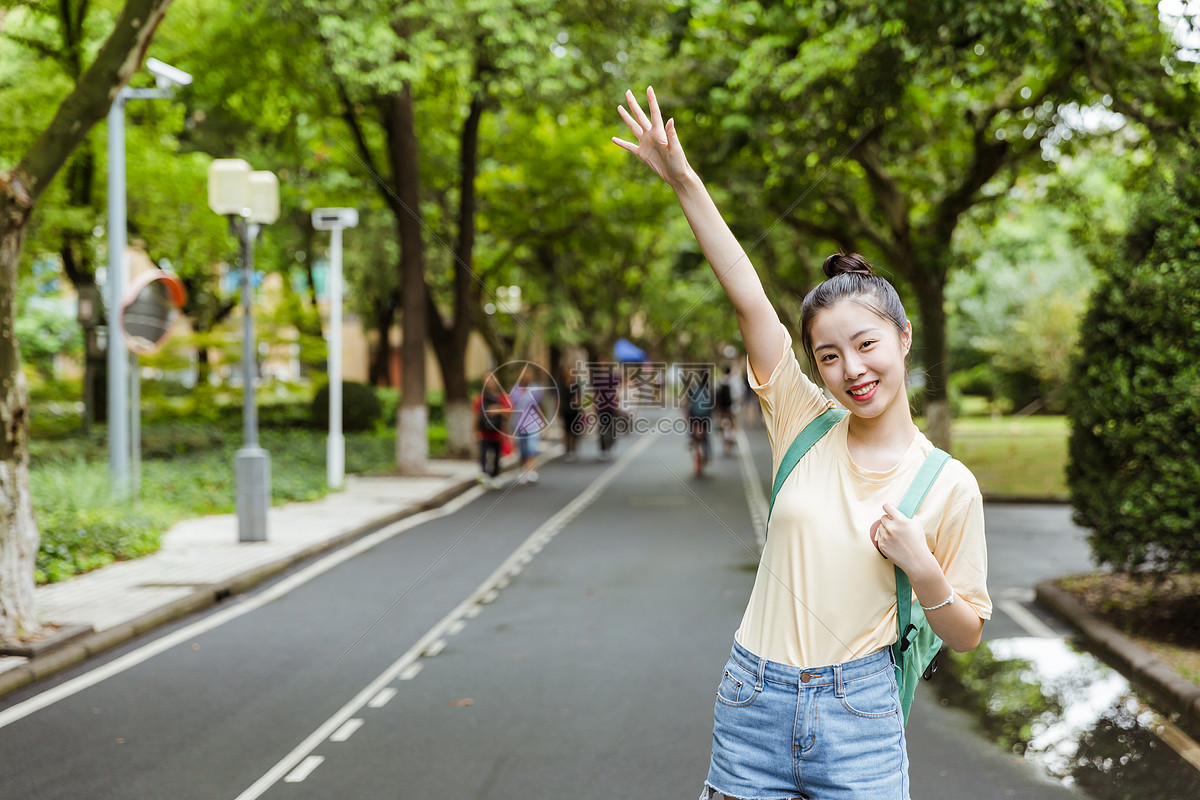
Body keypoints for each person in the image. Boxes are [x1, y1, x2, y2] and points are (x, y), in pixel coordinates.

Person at [614, 87, 991, 800]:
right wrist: (684, 182)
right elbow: (749, 296)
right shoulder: (801, 419)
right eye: (828, 356)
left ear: (903, 340)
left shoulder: (948, 484)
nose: (852, 370)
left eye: (866, 344)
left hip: (862, 718)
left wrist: (923, 567)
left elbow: (966, 630)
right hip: (753, 701)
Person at [509, 367, 547, 484]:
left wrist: (544, 424)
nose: (526, 376)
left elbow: (540, 407)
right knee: (522, 449)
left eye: (528, 374)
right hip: (518, 424)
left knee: (531, 447)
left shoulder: (536, 389)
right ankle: (522, 470)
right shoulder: (515, 390)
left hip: (532, 424)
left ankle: (531, 471)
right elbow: (511, 408)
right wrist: (509, 428)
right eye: (523, 374)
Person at [473, 374, 511, 489]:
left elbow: (509, 413)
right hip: (484, 432)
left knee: (496, 455)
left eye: (492, 379)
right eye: (487, 380)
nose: (490, 382)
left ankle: (495, 476)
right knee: (483, 454)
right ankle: (484, 475)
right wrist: (475, 431)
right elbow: (475, 415)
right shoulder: (479, 398)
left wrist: (497, 410)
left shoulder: (502, 398)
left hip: (497, 432)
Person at [682, 369, 715, 476]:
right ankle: (707, 452)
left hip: (694, 417)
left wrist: (687, 415)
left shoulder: (694, 390)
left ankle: (690, 440)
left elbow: (689, 405)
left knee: (692, 433)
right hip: (705, 417)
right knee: (705, 436)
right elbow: (712, 407)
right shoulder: (709, 391)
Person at [715, 365, 737, 456]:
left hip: (721, 408)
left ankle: (724, 441)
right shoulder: (733, 381)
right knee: (732, 423)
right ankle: (730, 439)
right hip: (730, 407)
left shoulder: (719, 381)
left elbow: (716, 393)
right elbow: (737, 394)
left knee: (722, 424)